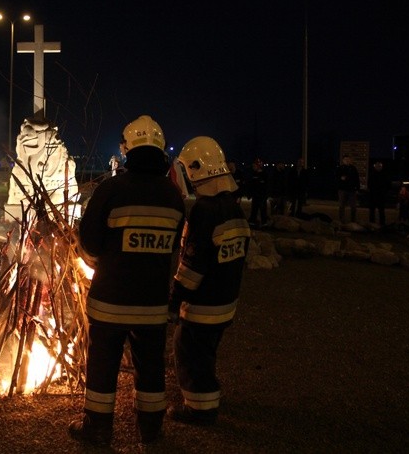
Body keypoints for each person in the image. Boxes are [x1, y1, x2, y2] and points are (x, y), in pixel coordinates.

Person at [70, 115, 186, 447]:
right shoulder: (173, 196)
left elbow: (89, 242)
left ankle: (97, 429)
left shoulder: (111, 189)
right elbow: (173, 247)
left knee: (102, 368)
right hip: (152, 306)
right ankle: (150, 430)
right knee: (150, 369)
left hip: (109, 303)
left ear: (127, 149)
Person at [168, 136, 251, 426]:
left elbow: (192, 265)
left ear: (195, 169)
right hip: (226, 302)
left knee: (188, 351)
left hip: (203, 305)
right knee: (206, 354)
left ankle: (199, 410)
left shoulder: (204, 211)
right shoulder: (233, 208)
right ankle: (208, 399)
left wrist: (174, 300)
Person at [336, 155, 360, 223]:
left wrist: (357, 189)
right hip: (342, 190)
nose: (347, 160)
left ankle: (353, 221)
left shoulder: (353, 168)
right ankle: (341, 220)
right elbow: (336, 178)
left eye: (348, 159)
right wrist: (340, 179)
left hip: (352, 190)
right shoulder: (340, 168)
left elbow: (357, 179)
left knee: (353, 207)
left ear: (350, 160)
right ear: (343, 160)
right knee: (341, 206)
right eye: (345, 159)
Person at [246, 157, 269, 227]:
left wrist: (266, 195)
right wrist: (249, 194)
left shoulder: (265, 174)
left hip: (262, 196)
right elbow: (251, 185)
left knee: (263, 210)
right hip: (255, 196)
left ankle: (264, 223)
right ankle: (252, 223)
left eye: (254, 166)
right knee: (254, 210)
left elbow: (267, 186)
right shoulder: (253, 174)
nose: (253, 167)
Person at [367, 161, 391, 226]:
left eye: (379, 166)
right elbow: (369, 184)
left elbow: (388, 184)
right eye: (377, 166)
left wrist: (385, 191)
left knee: (381, 211)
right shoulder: (372, 174)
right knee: (373, 210)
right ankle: (372, 223)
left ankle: (382, 224)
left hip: (381, 195)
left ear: (381, 167)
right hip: (373, 195)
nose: (378, 167)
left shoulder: (384, 174)